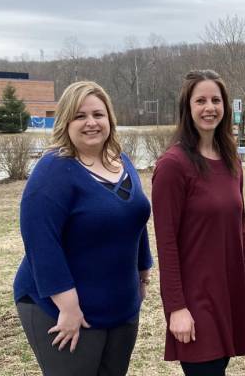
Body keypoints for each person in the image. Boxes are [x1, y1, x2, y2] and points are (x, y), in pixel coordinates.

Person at [13, 81, 153, 376]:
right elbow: (41, 243)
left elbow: (134, 219)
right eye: (80, 116)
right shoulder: (53, 170)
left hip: (120, 305)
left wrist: (142, 273)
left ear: (110, 119)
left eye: (98, 115)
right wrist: (68, 307)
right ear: (65, 121)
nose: (91, 123)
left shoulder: (121, 160)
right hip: (61, 310)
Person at [151, 69, 245, 376]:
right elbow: (166, 244)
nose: (210, 108)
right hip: (195, 300)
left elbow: (239, 228)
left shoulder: (231, 160)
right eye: (201, 101)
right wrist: (176, 308)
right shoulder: (173, 166)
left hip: (228, 291)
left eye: (216, 100)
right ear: (187, 107)